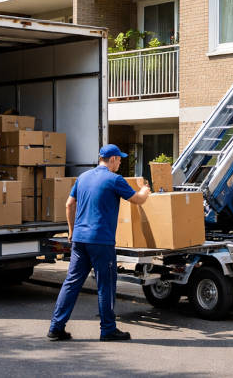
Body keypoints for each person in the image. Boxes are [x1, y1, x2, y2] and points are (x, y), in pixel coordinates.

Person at [47, 144, 150, 342]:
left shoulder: (83, 177)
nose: (120, 163)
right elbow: (138, 200)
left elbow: (69, 204)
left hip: (80, 239)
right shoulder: (114, 179)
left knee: (71, 283)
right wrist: (145, 190)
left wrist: (71, 231)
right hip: (101, 241)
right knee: (106, 285)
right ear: (112, 159)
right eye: (119, 159)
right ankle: (108, 329)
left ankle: (56, 328)